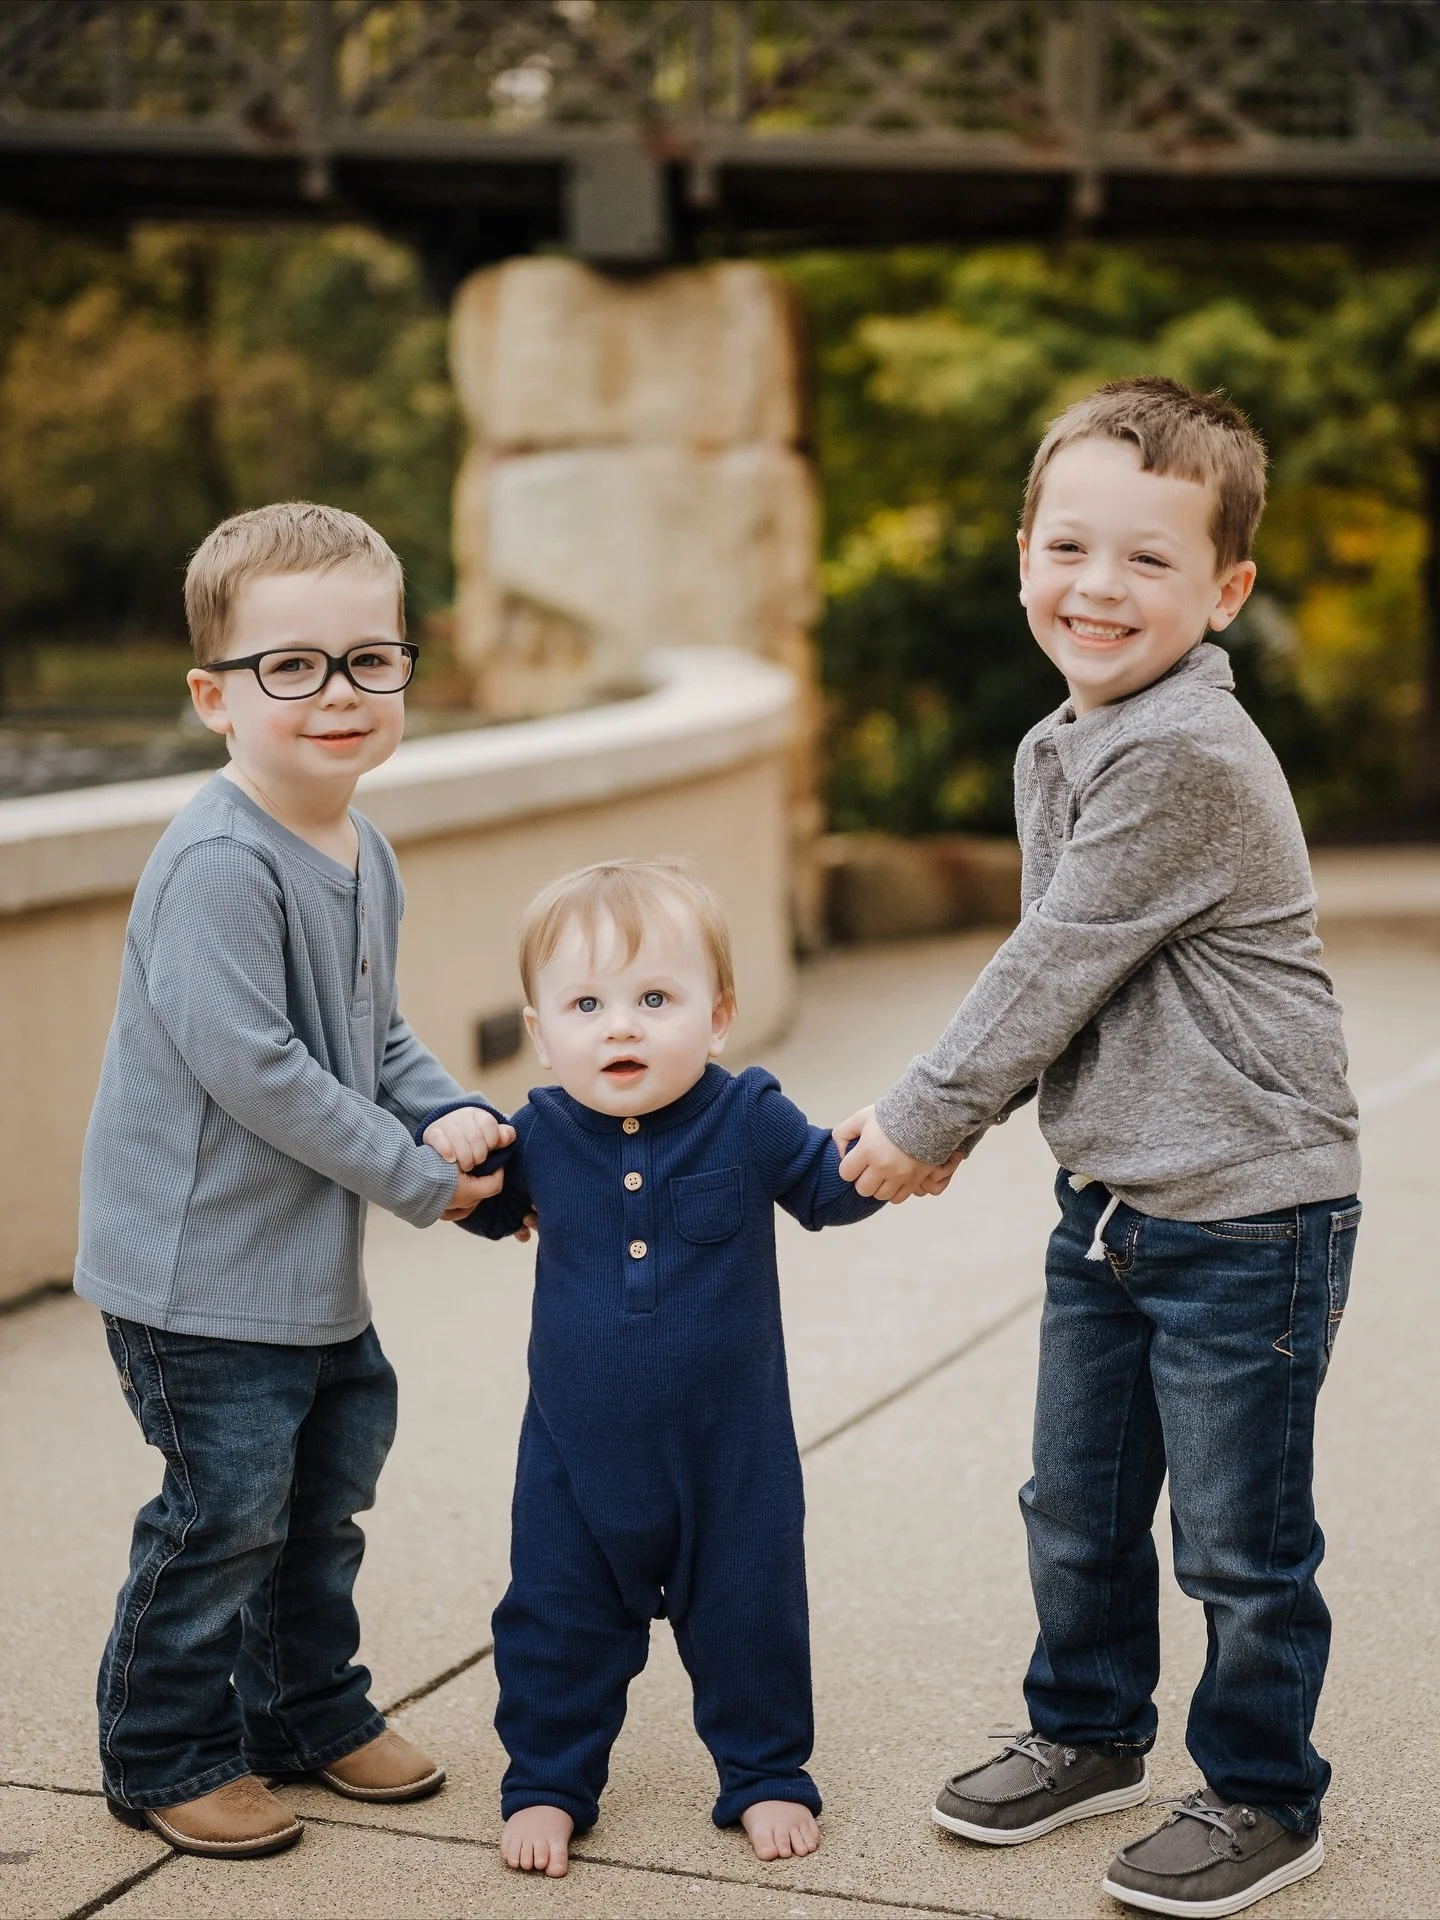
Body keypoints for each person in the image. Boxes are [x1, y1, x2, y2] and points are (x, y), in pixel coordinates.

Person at [835, 378, 1361, 1918]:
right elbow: (1066, 970)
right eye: (1071, 548)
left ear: (1224, 593)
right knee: (1075, 1503)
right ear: (1022, 560)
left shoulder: (1186, 752)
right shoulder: (1063, 738)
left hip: (1253, 1213)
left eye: (1149, 561)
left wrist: (927, 1122)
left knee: (1237, 1541)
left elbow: (1052, 963)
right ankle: (1087, 1731)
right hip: (1120, 1202)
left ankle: (1267, 1791)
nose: (1099, 588)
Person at [77, 502, 511, 1858]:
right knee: (222, 1520)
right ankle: (162, 1750)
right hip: (195, 1278)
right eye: (292, 665)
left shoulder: (357, 845)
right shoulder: (218, 860)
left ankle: (306, 1713)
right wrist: (413, 1177)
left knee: (320, 1507)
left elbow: (370, 1033)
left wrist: (451, 1115)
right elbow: (255, 1069)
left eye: (369, 659)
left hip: (304, 1275)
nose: (338, 693)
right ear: (215, 696)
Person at [430, 859, 943, 1879]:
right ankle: (548, 1782)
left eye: (655, 999)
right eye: (587, 1004)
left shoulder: (744, 1115)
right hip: (576, 1455)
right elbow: (473, 1196)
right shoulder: (534, 1133)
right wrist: (442, 1134)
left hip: (730, 1453)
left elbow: (826, 1189)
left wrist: (908, 1138)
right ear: (540, 1031)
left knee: (750, 1610)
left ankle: (763, 1775)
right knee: (555, 1619)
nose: (620, 1027)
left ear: (718, 1018)